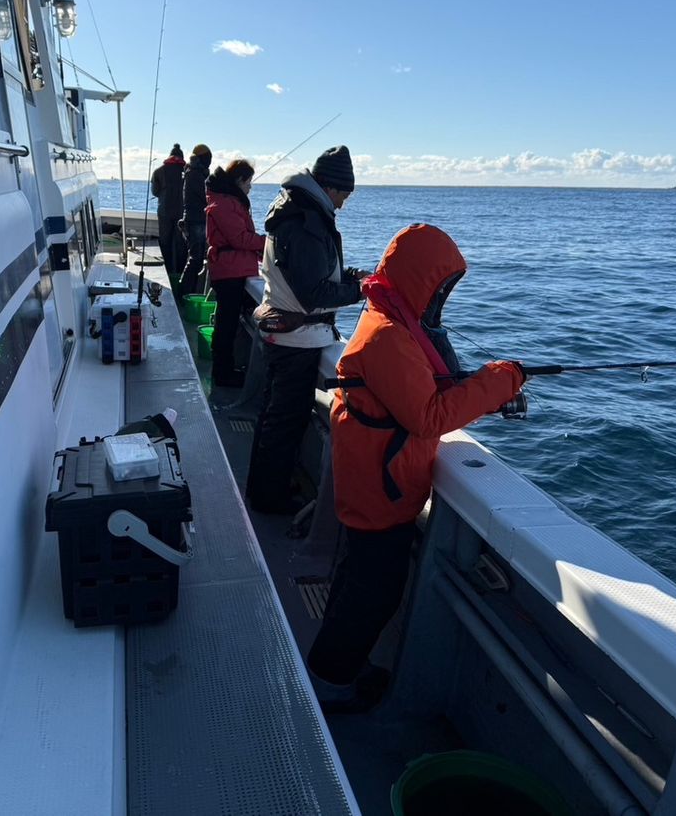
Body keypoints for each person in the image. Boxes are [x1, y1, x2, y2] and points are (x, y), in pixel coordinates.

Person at [305, 223, 526, 712]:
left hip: (373, 481)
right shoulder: (388, 336)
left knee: (356, 580)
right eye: (440, 288)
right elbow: (429, 417)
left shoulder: (390, 318)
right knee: (373, 594)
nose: (441, 300)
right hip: (380, 490)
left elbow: (420, 390)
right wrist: (502, 379)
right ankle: (328, 681)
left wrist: (486, 392)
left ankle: (335, 666)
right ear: (420, 283)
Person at [244, 145, 367, 515]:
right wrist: (361, 289)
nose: (344, 204)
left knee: (272, 416)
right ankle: (269, 499)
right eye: (344, 194)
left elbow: (308, 275)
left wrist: (347, 278)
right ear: (330, 187)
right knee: (284, 422)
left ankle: (262, 488)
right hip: (298, 340)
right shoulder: (306, 223)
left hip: (283, 333)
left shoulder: (292, 210)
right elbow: (313, 295)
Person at [205, 158, 265, 387]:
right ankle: (223, 374)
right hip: (230, 272)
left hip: (231, 269)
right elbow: (240, 238)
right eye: (249, 182)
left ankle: (225, 368)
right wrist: (268, 243)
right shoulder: (225, 204)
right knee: (226, 325)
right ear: (240, 180)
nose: (250, 187)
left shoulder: (226, 201)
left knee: (228, 322)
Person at [177, 143, 212, 298]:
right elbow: (206, 198)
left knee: (194, 258)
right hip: (196, 221)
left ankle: (186, 290)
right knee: (195, 259)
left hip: (194, 220)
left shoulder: (193, 173)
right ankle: (183, 292)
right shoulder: (196, 175)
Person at [150, 144, 186, 276]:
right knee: (180, 243)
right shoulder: (186, 171)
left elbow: (154, 191)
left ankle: (166, 270)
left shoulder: (159, 171)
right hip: (182, 213)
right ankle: (179, 273)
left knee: (165, 241)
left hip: (164, 211)